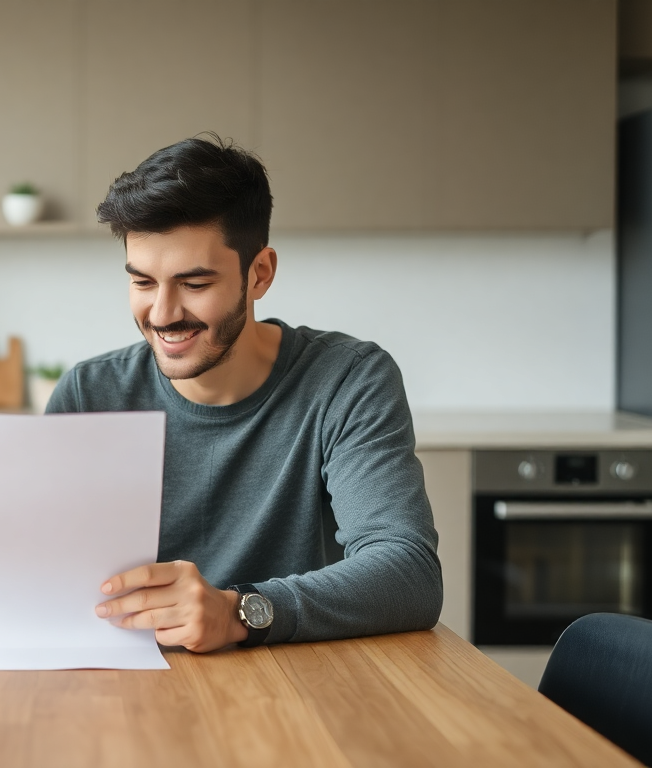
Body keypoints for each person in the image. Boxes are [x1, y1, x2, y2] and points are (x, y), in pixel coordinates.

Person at [47, 134, 442, 653]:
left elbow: (408, 573)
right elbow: (34, 570)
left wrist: (240, 611)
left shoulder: (347, 380)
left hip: (298, 689)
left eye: (194, 283)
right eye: (143, 282)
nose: (163, 314)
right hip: (126, 696)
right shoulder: (88, 394)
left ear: (259, 274)